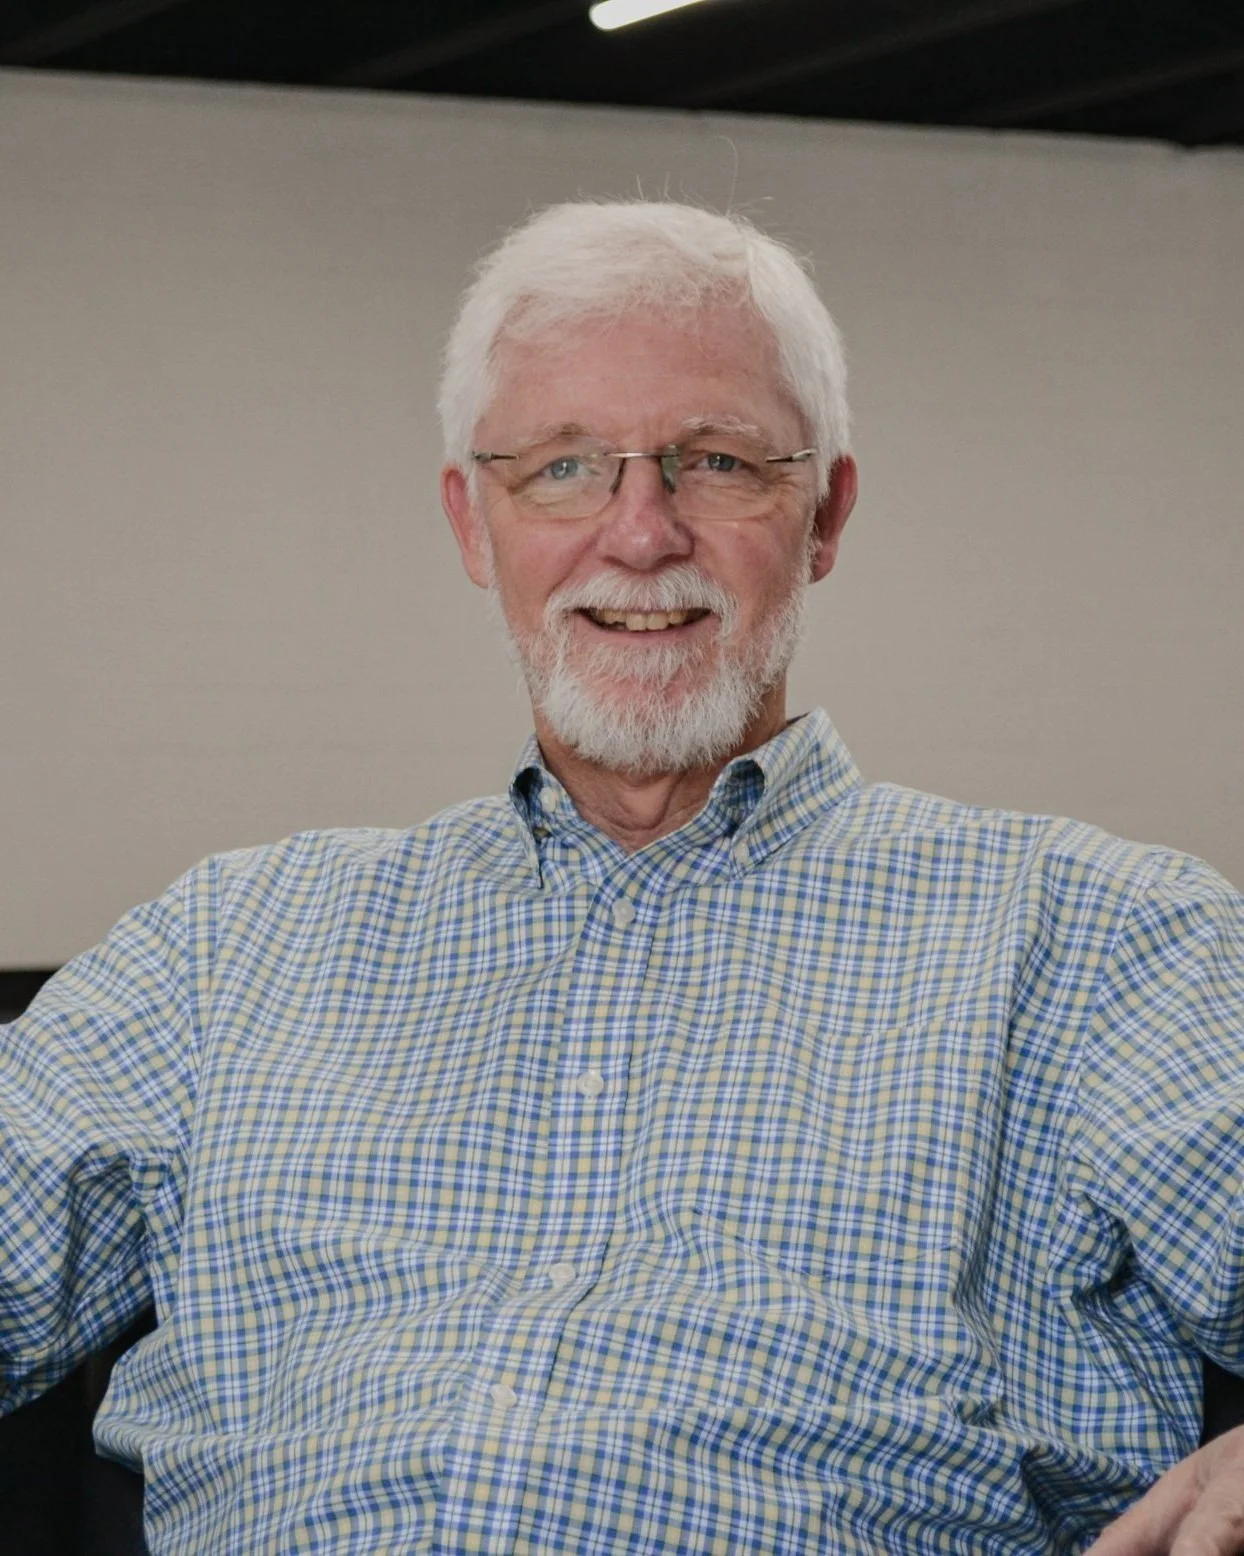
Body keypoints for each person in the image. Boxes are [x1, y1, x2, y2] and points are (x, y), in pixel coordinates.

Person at [2, 200, 1242, 1556]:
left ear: (823, 514)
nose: (641, 535)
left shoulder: (1098, 941)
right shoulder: (228, 947)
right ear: (475, 526)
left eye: (716, 463)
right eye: (563, 470)